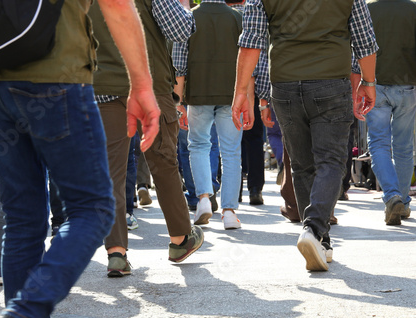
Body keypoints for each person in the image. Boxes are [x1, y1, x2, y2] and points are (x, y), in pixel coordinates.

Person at [0, 1, 160, 318]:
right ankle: (27, 311)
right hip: (58, 77)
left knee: (22, 216)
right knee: (93, 208)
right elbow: (118, 6)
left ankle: (21, 317)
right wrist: (141, 85)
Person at [233, 0, 378, 271]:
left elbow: (252, 41)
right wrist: (368, 83)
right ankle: (313, 229)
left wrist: (242, 91)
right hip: (331, 82)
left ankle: (319, 238)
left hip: (285, 85)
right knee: (332, 161)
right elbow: (364, 39)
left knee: (301, 165)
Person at [88, 0, 204, 278]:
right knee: (164, 162)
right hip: (150, 86)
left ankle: (116, 253)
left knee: (110, 173)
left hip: (101, 86)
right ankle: (179, 240)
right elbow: (179, 28)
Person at [174, 0, 243, 229]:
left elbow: (179, 62)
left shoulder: (189, 17)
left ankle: (203, 198)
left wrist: (178, 99)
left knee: (199, 145)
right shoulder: (236, 18)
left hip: (198, 92)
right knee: (231, 151)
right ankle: (230, 212)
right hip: (231, 93)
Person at [363, 0, 416, 225]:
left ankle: (392, 196)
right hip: (407, 86)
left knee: (378, 145)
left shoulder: (367, 9)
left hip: (375, 85)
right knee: (404, 146)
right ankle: (402, 201)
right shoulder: (413, 9)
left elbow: (357, 47)